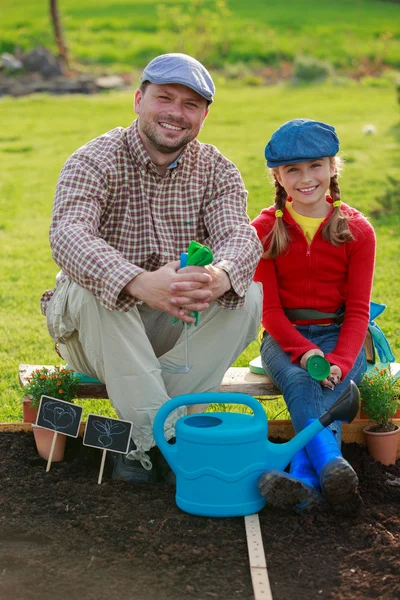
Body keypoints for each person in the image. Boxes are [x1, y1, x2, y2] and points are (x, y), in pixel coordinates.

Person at [40, 53, 263, 484]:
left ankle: (149, 440)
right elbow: (68, 234)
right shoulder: (94, 160)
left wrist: (217, 276)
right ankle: (159, 442)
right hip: (92, 330)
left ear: (204, 115)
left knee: (245, 292)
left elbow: (240, 237)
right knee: (95, 286)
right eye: (165, 98)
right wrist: (139, 282)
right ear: (139, 99)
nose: (176, 113)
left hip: (170, 322)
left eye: (190, 105)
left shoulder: (218, 170)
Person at [251, 119, 376, 514]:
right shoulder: (265, 230)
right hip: (284, 339)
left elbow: (358, 311)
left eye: (316, 166)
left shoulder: (358, 231)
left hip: (342, 336)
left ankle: (307, 484)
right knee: (303, 382)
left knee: (325, 389)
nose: (306, 179)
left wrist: (339, 360)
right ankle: (332, 465)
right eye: (293, 170)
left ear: (332, 167)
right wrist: (305, 353)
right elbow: (269, 311)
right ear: (278, 176)